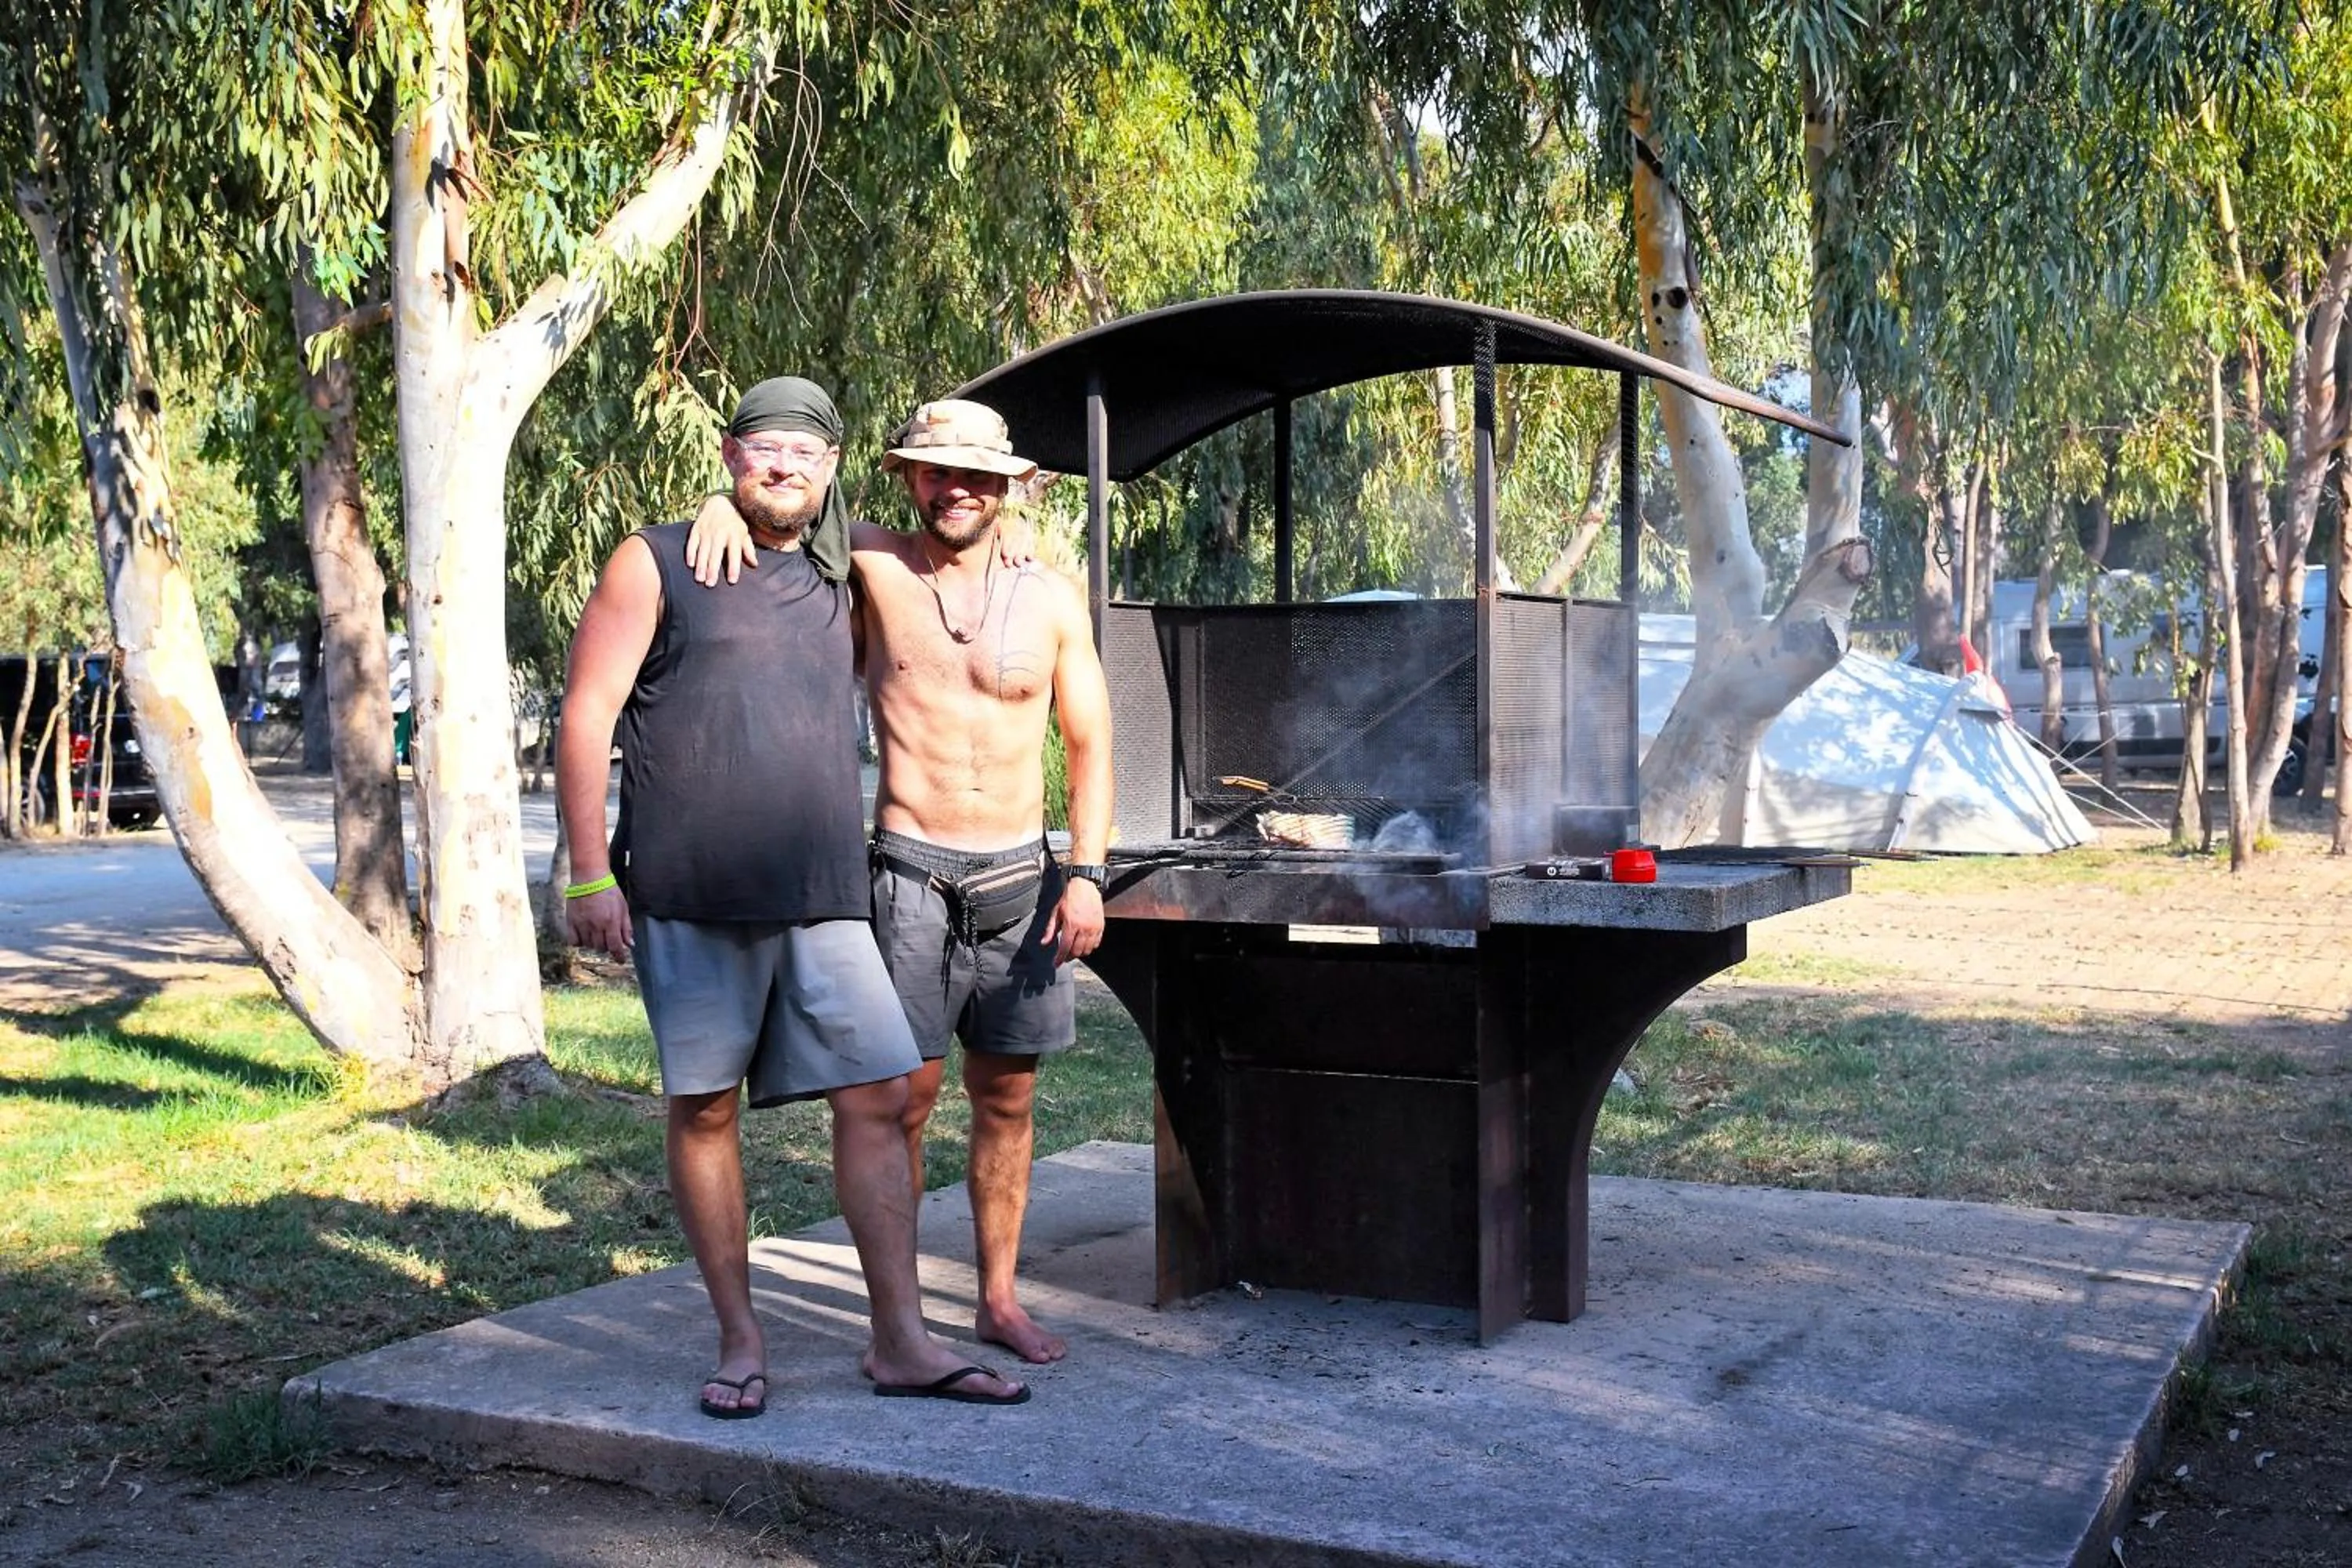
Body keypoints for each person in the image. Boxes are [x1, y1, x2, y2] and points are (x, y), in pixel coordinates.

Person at [557, 376, 1028, 1417]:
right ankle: (740, 1340)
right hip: (690, 892)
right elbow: (587, 714)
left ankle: (901, 1340)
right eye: (762, 449)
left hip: (824, 894)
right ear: (730, 455)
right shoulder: (655, 559)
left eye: (804, 453)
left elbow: (950, 542)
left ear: (831, 469)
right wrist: (590, 873)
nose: (781, 466)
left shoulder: (840, 571)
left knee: (880, 1095)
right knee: (705, 1107)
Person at [688, 397, 1113, 1367]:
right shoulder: (873, 565)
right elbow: (787, 507)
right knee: (900, 1102)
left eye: (977, 475)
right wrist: (720, 502)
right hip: (910, 874)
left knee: (1007, 1098)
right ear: (907, 477)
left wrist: (1087, 873)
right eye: (936, 470)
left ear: (1010, 486)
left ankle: (998, 1298)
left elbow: (1089, 741)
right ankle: (905, 1319)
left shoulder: (1051, 597)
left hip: (1023, 880)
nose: (955, 488)